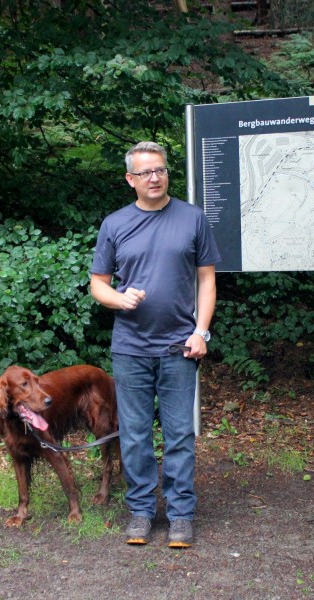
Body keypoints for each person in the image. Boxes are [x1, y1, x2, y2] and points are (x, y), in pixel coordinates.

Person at [89, 141, 220, 548]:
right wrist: (119, 299)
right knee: (134, 434)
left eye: (160, 170)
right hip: (130, 348)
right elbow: (98, 285)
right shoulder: (115, 224)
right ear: (130, 179)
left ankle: (180, 514)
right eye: (145, 172)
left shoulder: (192, 218)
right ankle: (141, 511)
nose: (154, 178)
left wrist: (201, 332)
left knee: (180, 433)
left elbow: (207, 280)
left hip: (180, 347)